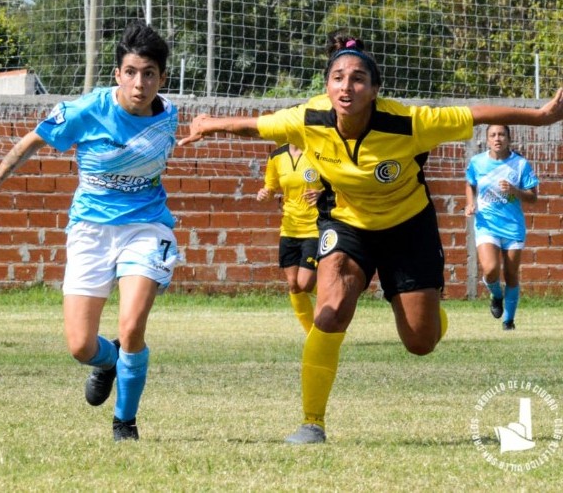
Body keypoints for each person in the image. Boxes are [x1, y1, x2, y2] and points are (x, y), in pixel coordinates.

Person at [178, 31, 563, 445]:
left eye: (358, 78)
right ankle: (312, 423)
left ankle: (430, 312)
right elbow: (255, 126)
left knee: (420, 341)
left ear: (375, 90)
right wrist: (210, 124)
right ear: (327, 86)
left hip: (407, 227)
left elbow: (475, 114)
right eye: (338, 77)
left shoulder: (408, 123)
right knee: (329, 311)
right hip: (347, 226)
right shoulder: (309, 118)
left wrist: (542, 116)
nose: (347, 86)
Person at [0, 21, 179, 442]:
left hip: (147, 228)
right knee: (80, 346)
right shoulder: (85, 110)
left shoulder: (168, 116)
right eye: (130, 72)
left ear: (162, 78)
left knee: (132, 327)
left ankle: (124, 423)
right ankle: (108, 361)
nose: (139, 83)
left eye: (149, 73)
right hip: (91, 231)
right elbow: (30, 143)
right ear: (117, 74)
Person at [464, 125, 538, 331]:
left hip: (513, 226)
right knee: (490, 269)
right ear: (487, 140)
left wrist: (515, 190)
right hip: (487, 224)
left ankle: (508, 321)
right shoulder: (477, 162)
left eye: (501, 134)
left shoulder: (520, 164)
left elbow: (533, 197)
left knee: (512, 274)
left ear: (509, 138)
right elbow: (470, 183)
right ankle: (496, 294)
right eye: (493, 135)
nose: (497, 139)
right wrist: (470, 203)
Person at [257, 144, 323, 334]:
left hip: (314, 228)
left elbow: (337, 183)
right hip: (289, 228)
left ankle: (337, 296)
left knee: (305, 283)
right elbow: (270, 188)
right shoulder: (277, 156)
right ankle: (312, 334)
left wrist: (322, 194)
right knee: (294, 285)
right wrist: (265, 194)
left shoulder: (318, 150)